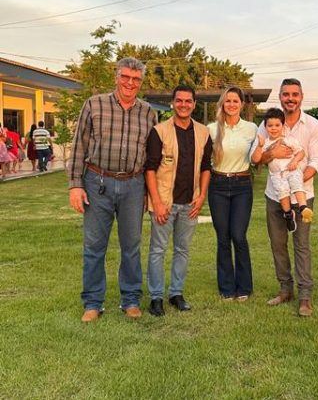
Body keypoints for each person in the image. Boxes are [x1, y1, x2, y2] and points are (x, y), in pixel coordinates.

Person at [68, 57, 158, 323]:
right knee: (94, 245)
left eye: (136, 79)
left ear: (141, 82)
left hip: (134, 184)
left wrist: (148, 192)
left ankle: (130, 299)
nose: (130, 83)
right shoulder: (94, 104)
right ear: (116, 77)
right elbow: (79, 146)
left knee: (131, 245)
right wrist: (75, 185)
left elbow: (150, 156)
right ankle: (93, 302)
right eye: (125, 77)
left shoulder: (148, 112)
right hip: (98, 182)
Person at [254, 78, 318, 317]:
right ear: (281, 97)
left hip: (303, 194)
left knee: (301, 245)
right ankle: (286, 289)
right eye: (286, 94)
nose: (290, 98)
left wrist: (295, 183)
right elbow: (257, 159)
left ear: (301, 97)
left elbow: (316, 160)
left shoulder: (313, 125)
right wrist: (272, 153)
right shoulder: (268, 124)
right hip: (274, 195)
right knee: (278, 244)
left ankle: (305, 296)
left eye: (295, 94)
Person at [145, 85, 212, 316]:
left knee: (182, 250)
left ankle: (176, 293)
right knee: (158, 250)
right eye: (179, 100)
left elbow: (206, 167)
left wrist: (201, 196)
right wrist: (156, 202)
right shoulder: (159, 131)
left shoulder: (203, 132)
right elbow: (150, 169)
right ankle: (156, 297)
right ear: (173, 103)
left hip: (190, 203)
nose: (184, 105)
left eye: (188, 101)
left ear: (194, 104)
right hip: (164, 202)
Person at [207, 86, 257, 302]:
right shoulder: (211, 129)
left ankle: (244, 286)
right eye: (227, 101)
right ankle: (226, 287)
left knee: (238, 235)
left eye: (235, 101)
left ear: (242, 104)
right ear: (222, 103)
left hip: (242, 185)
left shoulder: (252, 128)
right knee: (223, 237)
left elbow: (261, 153)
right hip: (218, 185)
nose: (231, 104)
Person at [251, 108, 313, 233]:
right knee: (282, 194)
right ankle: (288, 214)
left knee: (297, 184)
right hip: (277, 175)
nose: (273, 128)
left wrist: (294, 161)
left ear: (282, 126)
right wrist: (260, 146)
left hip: (291, 169)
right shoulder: (265, 143)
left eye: (277, 125)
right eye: (270, 126)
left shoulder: (288, 140)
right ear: (265, 127)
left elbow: (301, 152)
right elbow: (255, 159)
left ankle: (303, 207)